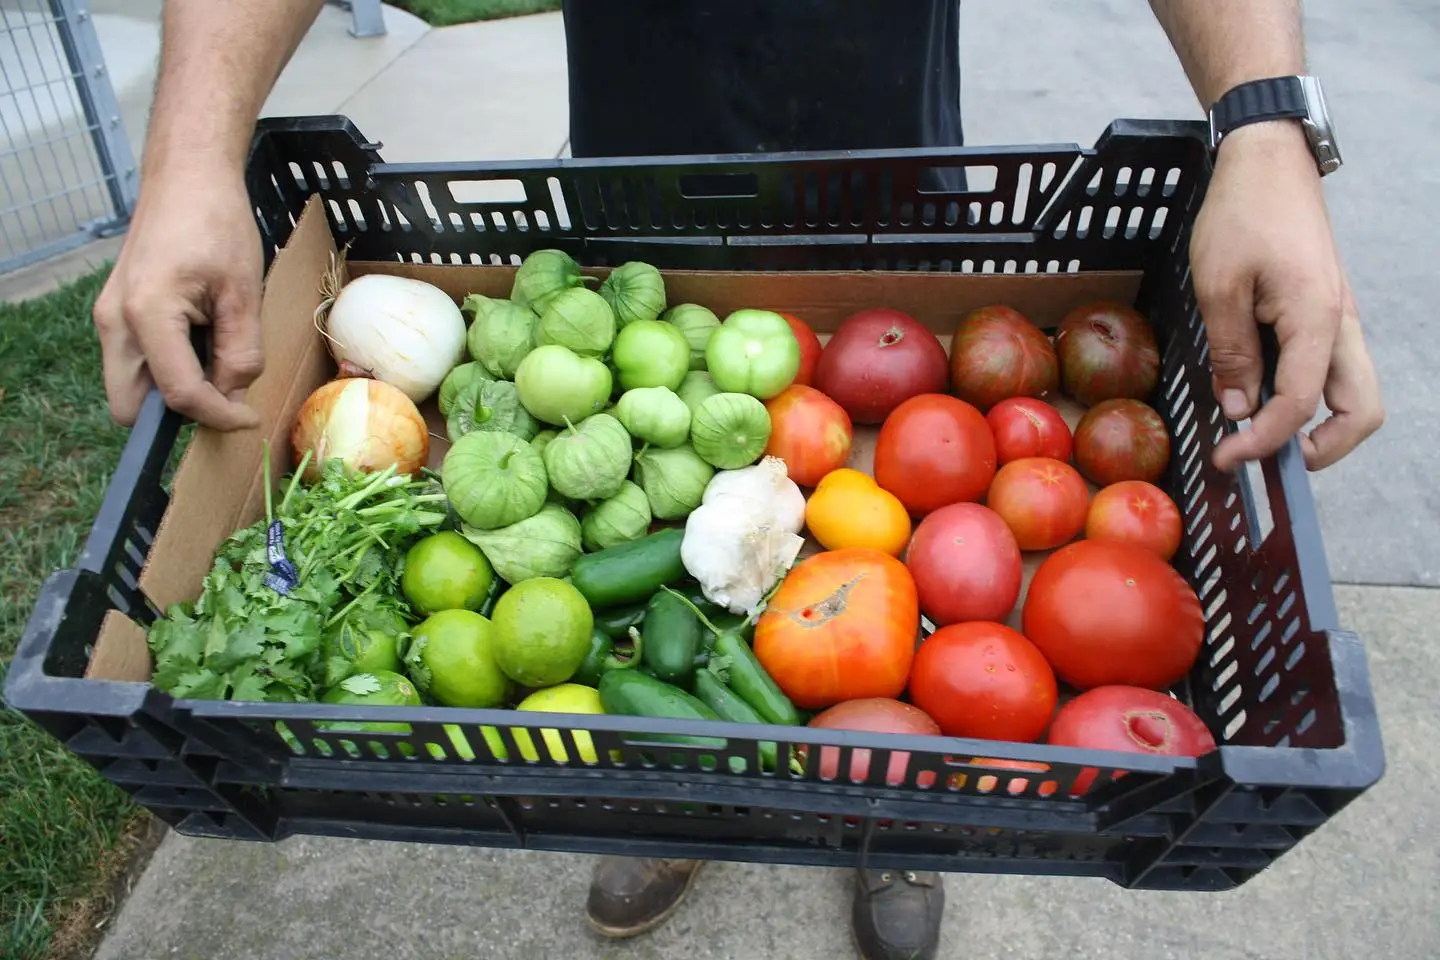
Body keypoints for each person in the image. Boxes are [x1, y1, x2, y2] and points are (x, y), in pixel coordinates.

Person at [93, 2, 1384, 958]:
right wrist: (192, 159)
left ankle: (895, 817)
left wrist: (1265, 127)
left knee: (900, 749)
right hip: (636, 191)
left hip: (902, 198)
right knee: (697, 660)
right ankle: (677, 781)